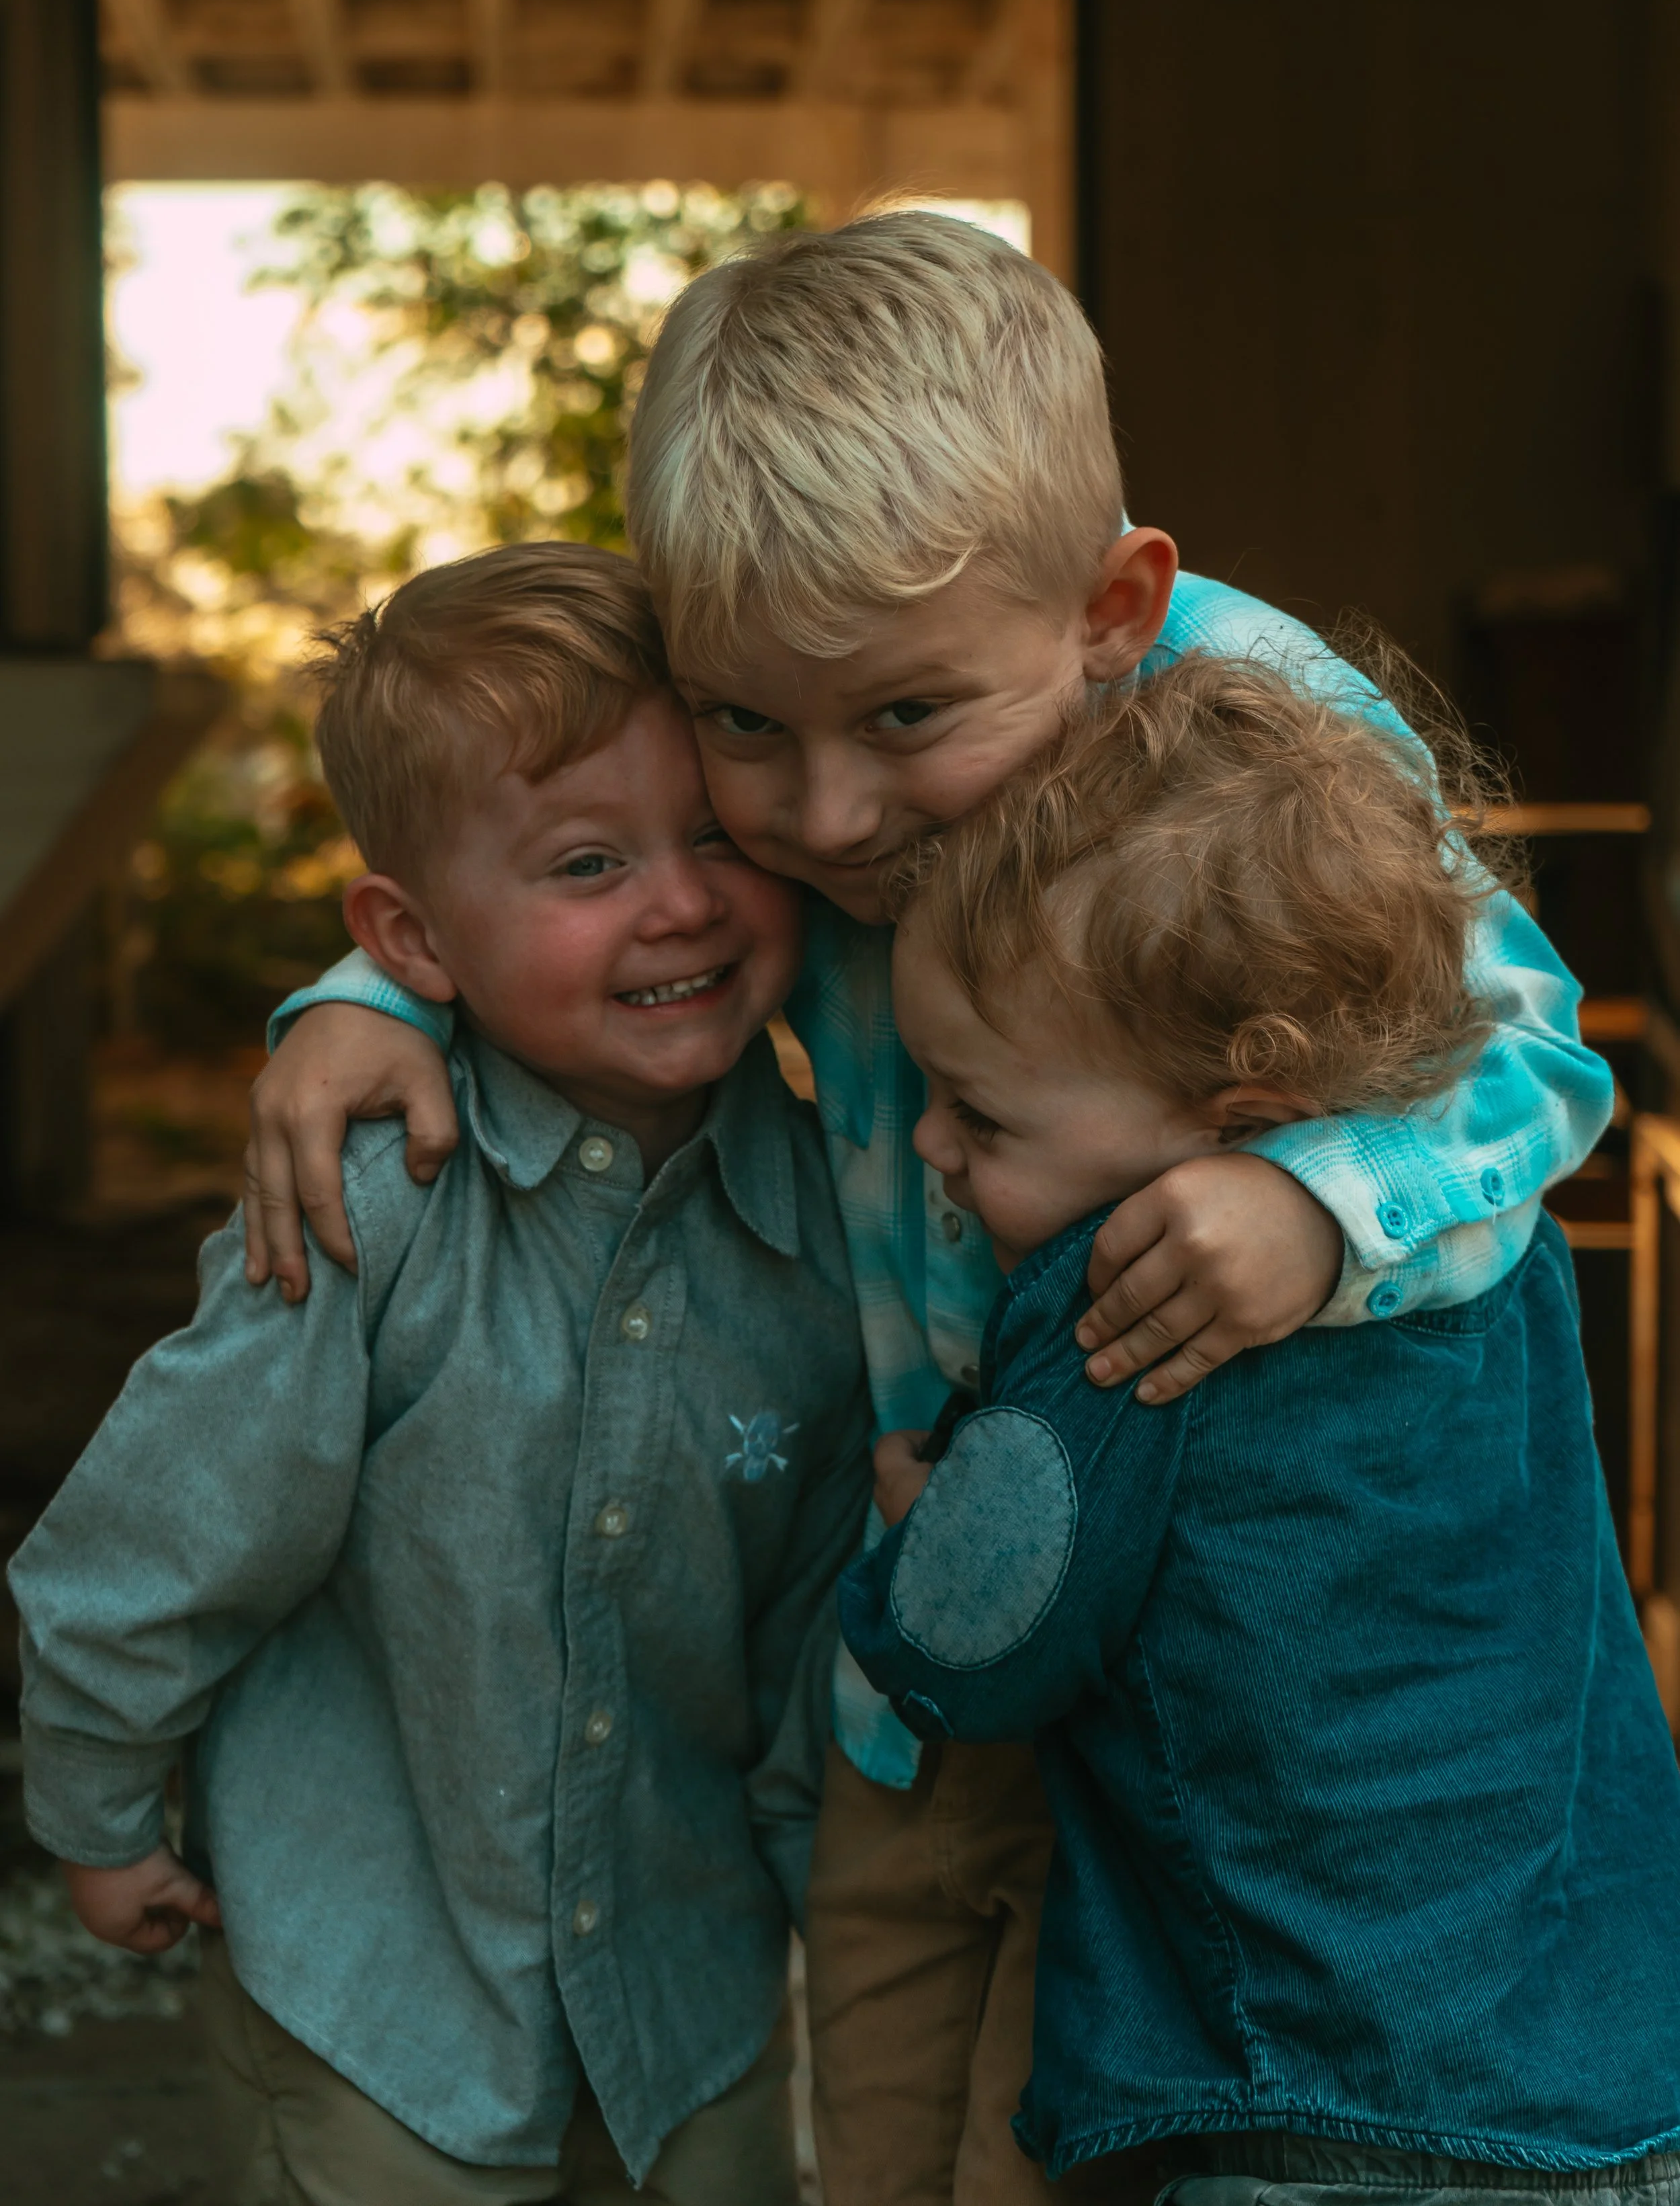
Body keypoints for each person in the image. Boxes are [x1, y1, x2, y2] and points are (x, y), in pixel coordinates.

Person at [232, 215, 1615, 2206]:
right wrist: (367, 995)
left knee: (1096, 2106)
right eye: (744, 736)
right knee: (870, 2089)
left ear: (1107, 610)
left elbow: (1532, 1050)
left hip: (1209, 1639)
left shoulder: (1254, 730)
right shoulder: (775, 670)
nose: (818, 819)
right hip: (924, 1607)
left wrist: (1317, 1195)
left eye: (904, 723)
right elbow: (543, 846)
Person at [9, 544, 873, 2206]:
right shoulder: (368, 1200)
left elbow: (801, 1634)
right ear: (411, 936)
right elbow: (163, 1528)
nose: (678, 900)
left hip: (689, 1984)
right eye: (587, 862)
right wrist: (101, 1808)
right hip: (376, 1980)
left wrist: (825, 1896)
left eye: (713, 835)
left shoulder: (832, 1233)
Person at [841, 652, 1680, 2203]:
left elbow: (979, 1642)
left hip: (1308, 2094)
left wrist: (911, 1542)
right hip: (1607, 2086)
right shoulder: (1493, 1250)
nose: (931, 1145)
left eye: (983, 1113)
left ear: (1229, 1122)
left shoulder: (1126, 1297)